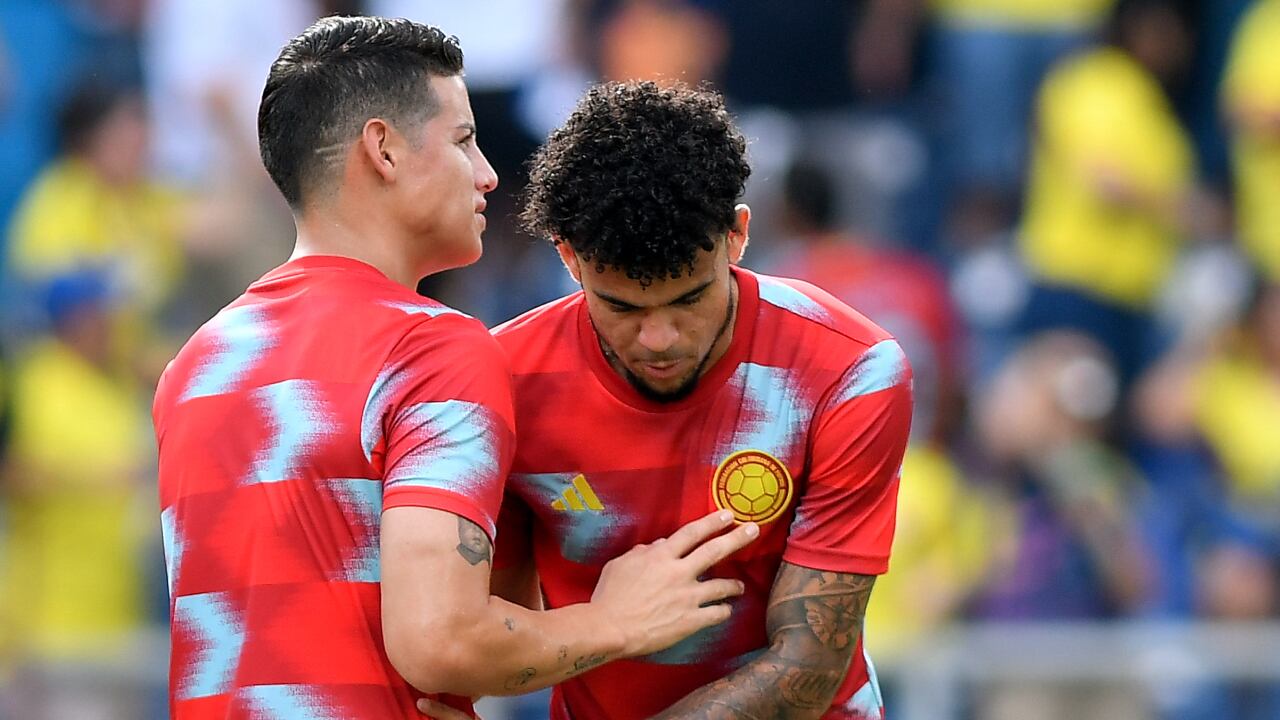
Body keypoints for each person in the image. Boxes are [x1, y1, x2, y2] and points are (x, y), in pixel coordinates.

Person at [152, 17, 757, 720]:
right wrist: (614, 620)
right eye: (465, 140)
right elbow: (439, 640)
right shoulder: (431, 347)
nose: (489, 175)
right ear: (383, 150)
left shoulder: (196, 363)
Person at [492, 81, 914, 719]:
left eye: (689, 299)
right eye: (622, 307)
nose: (658, 339)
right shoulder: (499, 381)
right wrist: (609, 624)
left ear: (737, 235)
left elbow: (808, 665)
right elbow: (483, 631)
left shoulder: (849, 369)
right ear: (568, 256)